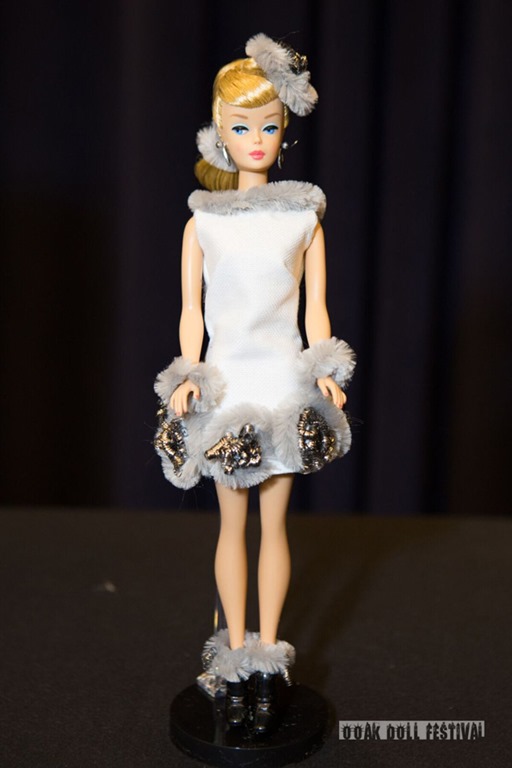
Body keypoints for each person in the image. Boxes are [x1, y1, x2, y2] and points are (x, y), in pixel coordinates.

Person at [154, 33, 355, 733]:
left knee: (274, 526)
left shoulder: (304, 218)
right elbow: (191, 311)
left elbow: (316, 307)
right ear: (219, 133)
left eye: (268, 126)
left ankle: (269, 658)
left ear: (284, 129)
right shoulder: (202, 223)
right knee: (231, 526)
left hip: (282, 384)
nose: (257, 140)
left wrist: (326, 370)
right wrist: (186, 375)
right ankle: (232, 655)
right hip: (229, 386)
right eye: (242, 128)